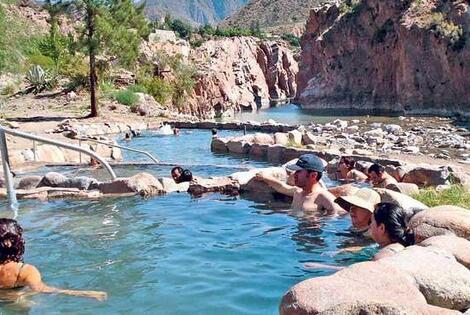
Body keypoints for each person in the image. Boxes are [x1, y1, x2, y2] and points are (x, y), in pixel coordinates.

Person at [0, 219, 106, 301]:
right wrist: (85, 294)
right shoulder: (25, 271)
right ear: (14, 242)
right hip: (15, 303)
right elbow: (43, 290)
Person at [255, 154, 345, 214]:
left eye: (299, 171)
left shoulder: (323, 197)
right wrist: (265, 177)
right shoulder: (297, 192)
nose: (294, 174)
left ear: (313, 175)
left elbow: (340, 214)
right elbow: (281, 187)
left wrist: (318, 220)